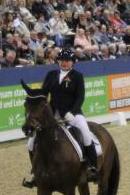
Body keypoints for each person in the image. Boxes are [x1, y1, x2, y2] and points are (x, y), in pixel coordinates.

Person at [22, 48, 98, 187]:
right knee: (31, 143)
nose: (64, 63)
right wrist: (31, 93)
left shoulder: (77, 76)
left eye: (67, 61)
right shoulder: (51, 74)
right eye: (62, 60)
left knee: (86, 135)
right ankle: (36, 173)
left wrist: (73, 112)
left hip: (73, 113)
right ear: (58, 61)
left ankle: (92, 167)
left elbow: (80, 97)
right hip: (52, 114)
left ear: (73, 62)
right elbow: (43, 93)